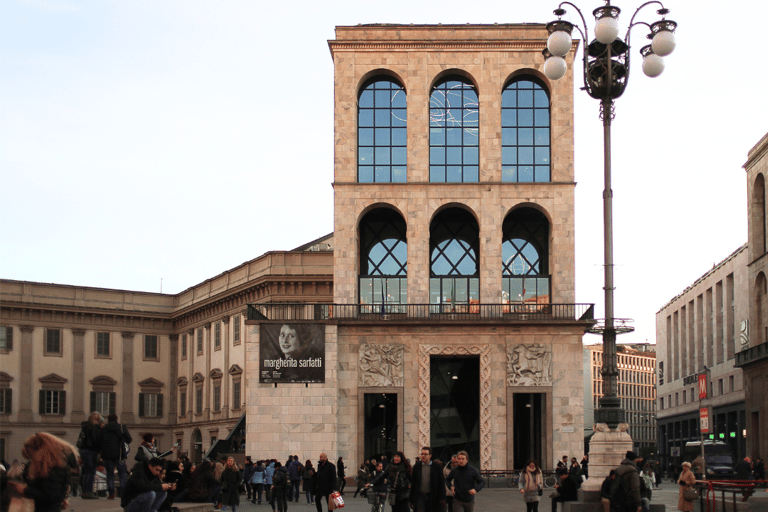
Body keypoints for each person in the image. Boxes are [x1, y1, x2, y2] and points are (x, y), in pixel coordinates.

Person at [7, 433, 79, 512]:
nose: (32, 460)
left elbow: (50, 495)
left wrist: (25, 490)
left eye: (32, 456)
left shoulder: (53, 468)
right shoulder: (58, 465)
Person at [100, 413, 128, 500]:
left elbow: (99, 441)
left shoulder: (104, 429)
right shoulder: (121, 428)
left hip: (107, 454)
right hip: (119, 455)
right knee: (122, 473)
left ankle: (111, 493)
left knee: (110, 474)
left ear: (108, 420)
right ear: (116, 419)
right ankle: (123, 493)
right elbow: (129, 439)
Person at [410, 447, 446, 512]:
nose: (423, 456)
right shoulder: (416, 467)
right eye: (422, 454)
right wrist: (411, 499)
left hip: (433, 496)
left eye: (425, 454)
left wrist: (443, 497)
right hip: (420, 496)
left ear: (430, 455)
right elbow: (413, 483)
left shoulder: (436, 467)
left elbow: (441, 483)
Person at [79, 411, 103, 499]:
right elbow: (96, 440)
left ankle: (85, 491)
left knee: (86, 472)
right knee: (91, 472)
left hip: (84, 451)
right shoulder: (94, 427)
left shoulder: (85, 427)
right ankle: (89, 492)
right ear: (97, 418)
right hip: (91, 451)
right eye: (100, 418)